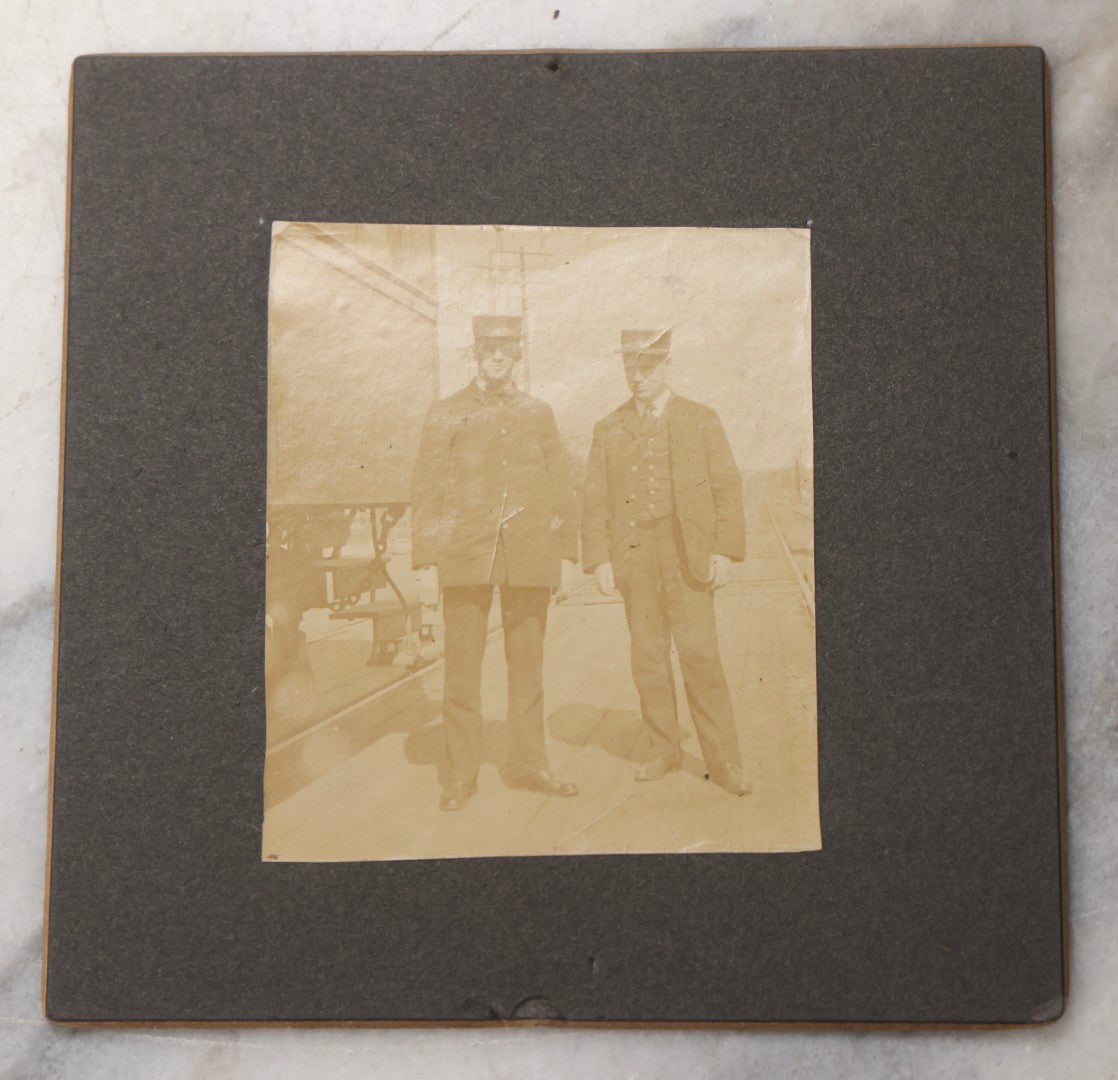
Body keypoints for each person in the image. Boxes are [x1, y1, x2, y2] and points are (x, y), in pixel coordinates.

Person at [410, 315, 580, 811]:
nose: (498, 356)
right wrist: (425, 565)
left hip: (528, 558)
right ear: (476, 353)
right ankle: (460, 776)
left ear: (519, 354)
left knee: (527, 668)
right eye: (489, 348)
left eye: (506, 348)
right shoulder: (445, 413)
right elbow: (426, 489)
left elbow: (560, 483)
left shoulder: (537, 412)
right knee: (461, 672)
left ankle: (529, 766)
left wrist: (567, 555)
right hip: (465, 560)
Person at [581, 328, 750, 796]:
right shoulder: (608, 428)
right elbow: (594, 499)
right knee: (648, 658)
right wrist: (598, 560)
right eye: (630, 368)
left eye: (647, 367)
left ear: (666, 364)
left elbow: (726, 488)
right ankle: (663, 750)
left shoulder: (701, 419)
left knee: (701, 658)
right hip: (636, 559)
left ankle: (726, 761)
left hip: (686, 557)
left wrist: (723, 550)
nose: (638, 377)